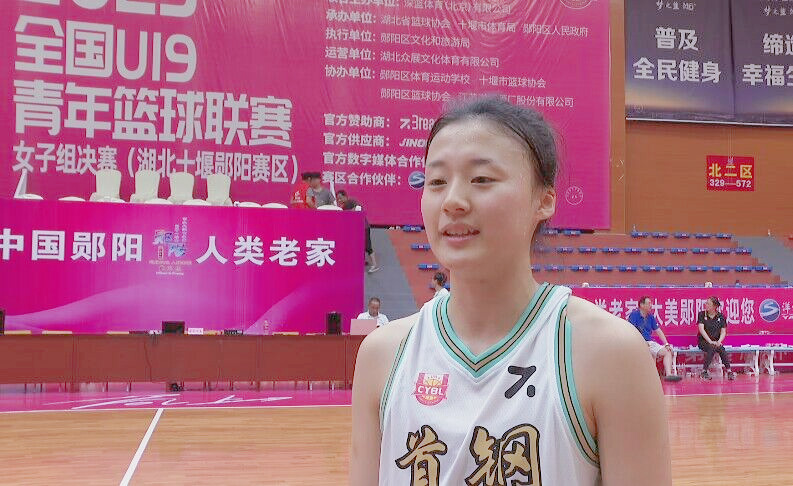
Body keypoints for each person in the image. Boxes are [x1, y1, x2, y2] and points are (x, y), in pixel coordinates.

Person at [351, 96, 671, 485]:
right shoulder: (383, 356)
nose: (452, 201)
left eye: (482, 179)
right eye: (436, 182)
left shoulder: (609, 353)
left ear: (544, 200)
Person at [627, 296, 681, 381]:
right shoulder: (634, 315)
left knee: (667, 351)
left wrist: (666, 344)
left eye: (651, 303)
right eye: (649, 303)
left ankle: (669, 375)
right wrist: (641, 342)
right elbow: (631, 330)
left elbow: (658, 331)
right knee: (649, 355)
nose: (651, 305)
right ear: (642, 305)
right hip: (637, 343)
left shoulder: (651, 317)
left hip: (650, 343)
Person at [337, 189, 380, 274]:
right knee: (358, 245)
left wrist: (345, 212)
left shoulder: (352, 201)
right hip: (356, 229)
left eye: (340, 198)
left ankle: (375, 265)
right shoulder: (343, 207)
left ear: (345, 196)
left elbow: (358, 210)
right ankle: (362, 261)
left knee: (367, 246)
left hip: (364, 227)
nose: (339, 200)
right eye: (338, 199)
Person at [697, 296, 735, 380]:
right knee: (712, 347)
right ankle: (704, 371)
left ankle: (729, 371)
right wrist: (710, 341)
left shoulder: (721, 316)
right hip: (704, 341)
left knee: (721, 348)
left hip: (716, 341)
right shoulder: (702, 314)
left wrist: (719, 341)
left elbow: (723, 331)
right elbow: (701, 329)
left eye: (708, 304)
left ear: (714, 306)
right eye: (706, 303)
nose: (706, 305)